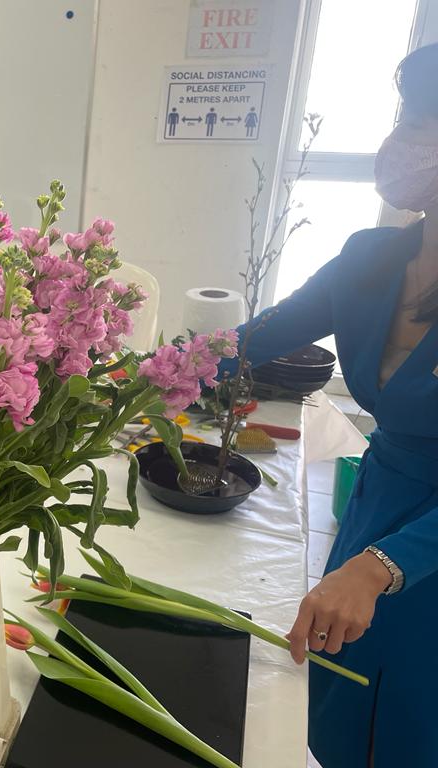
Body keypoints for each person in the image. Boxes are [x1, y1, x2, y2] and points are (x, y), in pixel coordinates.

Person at [223, 43, 438, 767]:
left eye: (422, 121)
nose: (401, 142)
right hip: (374, 514)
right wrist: (136, 369)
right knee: (336, 701)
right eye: (406, 117)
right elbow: (258, 338)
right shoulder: (373, 258)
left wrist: (381, 566)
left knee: (411, 724)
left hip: (419, 553)